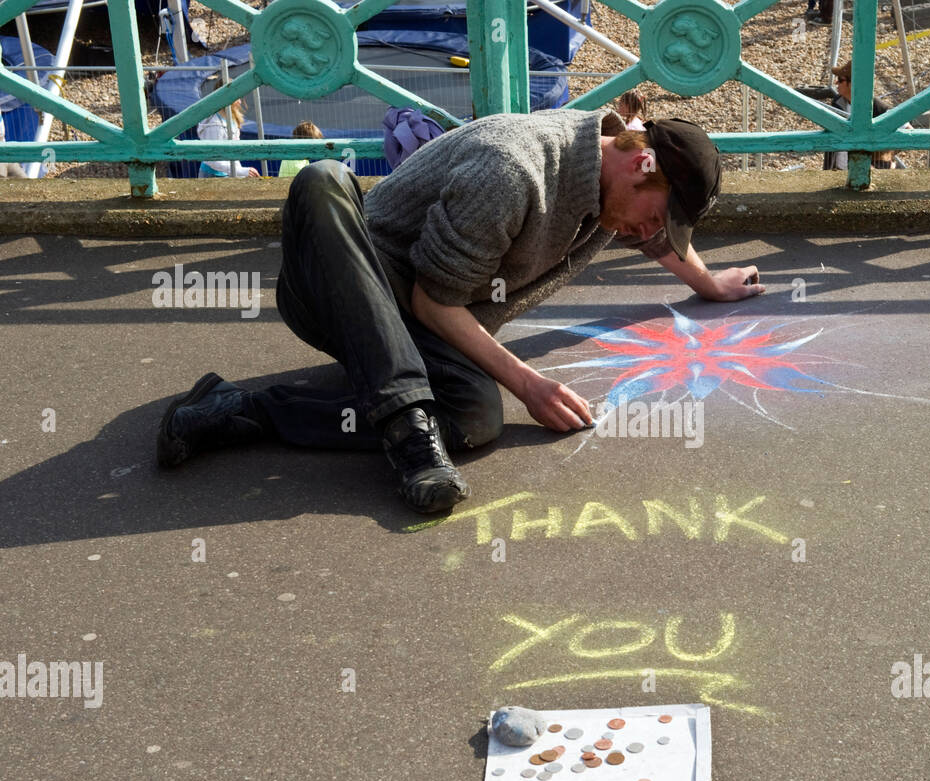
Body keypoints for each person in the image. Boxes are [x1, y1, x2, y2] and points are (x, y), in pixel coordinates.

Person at [157, 110, 765, 514]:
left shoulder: (611, 184)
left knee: (477, 419)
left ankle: (241, 411)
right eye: (654, 215)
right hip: (344, 291)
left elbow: (649, 233)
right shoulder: (513, 170)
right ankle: (411, 440)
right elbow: (434, 298)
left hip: (421, 317)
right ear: (641, 163)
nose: (644, 232)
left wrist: (708, 282)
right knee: (322, 180)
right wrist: (529, 382)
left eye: (656, 226)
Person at [824, 61, 905, 171]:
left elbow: (907, 131)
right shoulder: (837, 103)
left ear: (853, 84)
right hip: (837, 171)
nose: (836, 82)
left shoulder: (878, 107)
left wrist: (881, 160)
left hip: (864, 174)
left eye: (841, 80)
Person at [196, 96, 259, 177]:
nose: (240, 102)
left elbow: (234, 152)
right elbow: (212, 159)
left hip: (225, 173)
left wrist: (240, 173)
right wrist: (241, 172)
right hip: (212, 175)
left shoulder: (232, 119)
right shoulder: (214, 124)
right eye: (237, 98)